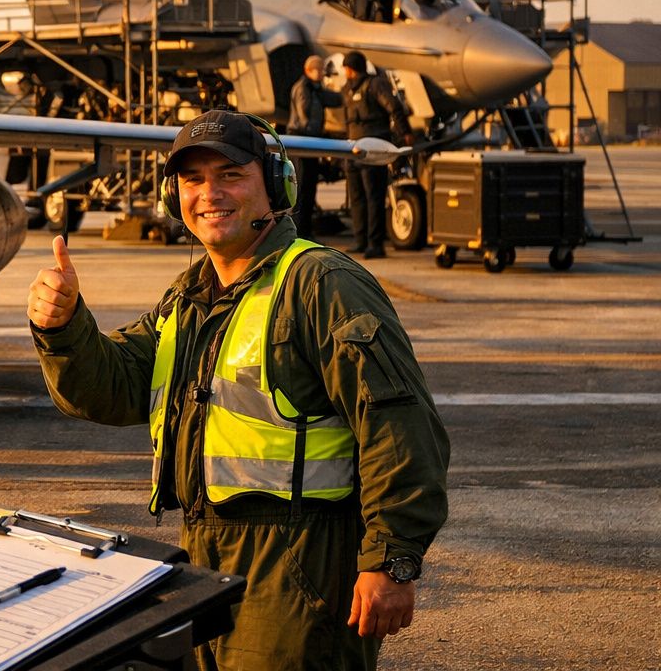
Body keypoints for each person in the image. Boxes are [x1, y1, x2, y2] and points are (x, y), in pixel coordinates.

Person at [26, 109, 448, 671]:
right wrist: (64, 326)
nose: (209, 194)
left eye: (230, 175)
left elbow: (399, 427)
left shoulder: (322, 284)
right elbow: (115, 385)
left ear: (275, 186)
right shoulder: (190, 295)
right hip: (201, 562)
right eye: (193, 180)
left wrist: (390, 562)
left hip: (299, 568)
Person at [341, 51, 413, 259]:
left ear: (354, 68)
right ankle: (360, 239)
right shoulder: (347, 89)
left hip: (373, 148)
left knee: (374, 197)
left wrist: (405, 132)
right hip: (353, 148)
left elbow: (394, 108)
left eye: (347, 68)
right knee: (357, 197)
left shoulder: (375, 85)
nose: (345, 72)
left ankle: (375, 243)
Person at [286, 55, 341, 238]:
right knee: (302, 188)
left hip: (310, 142)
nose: (322, 73)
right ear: (309, 70)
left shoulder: (315, 89)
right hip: (302, 142)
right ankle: (298, 232)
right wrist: (317, 137)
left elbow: (333, 99)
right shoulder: (304, 89)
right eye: (319, 70)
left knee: (309, 187)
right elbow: (305, 117)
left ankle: (305, 231)